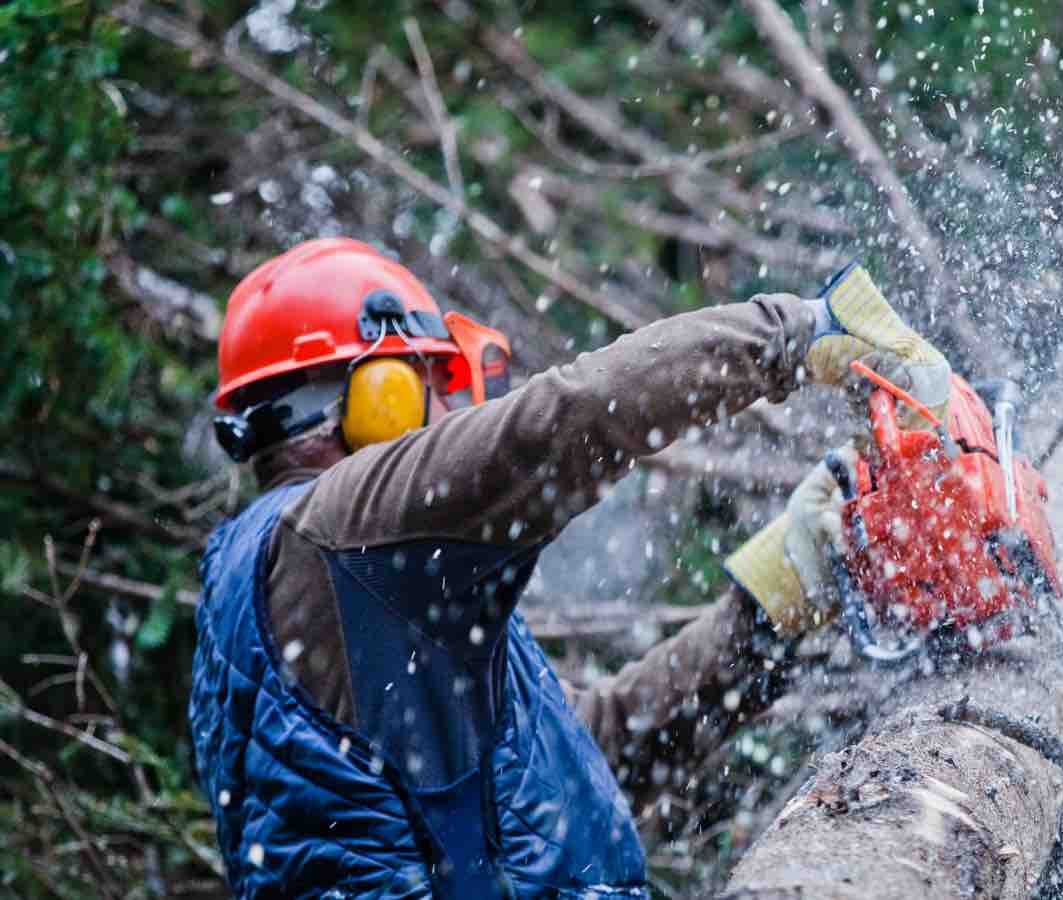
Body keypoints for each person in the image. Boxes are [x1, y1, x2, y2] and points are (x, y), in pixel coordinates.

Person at [191, 237, 949, 899]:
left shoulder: (335, 582)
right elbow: (563, 422)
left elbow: (577, 766)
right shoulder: (342, 531)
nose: (448, 415)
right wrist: (801, 331)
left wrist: (770, 607)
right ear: (374, 399)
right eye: (429, 385)